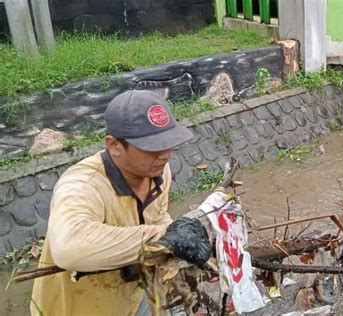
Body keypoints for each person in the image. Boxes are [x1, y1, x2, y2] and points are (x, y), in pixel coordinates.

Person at [31, 90, 211, 316]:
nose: (165, 155)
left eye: (168, 144)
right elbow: (69, 248)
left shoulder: (158, 171)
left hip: (132, 297)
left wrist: (178, 249)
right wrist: (164, 236)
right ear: (114, 145)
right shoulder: (82, 184)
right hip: (82, 308)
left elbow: (159, 217)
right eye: (152, 146)